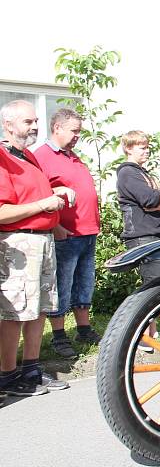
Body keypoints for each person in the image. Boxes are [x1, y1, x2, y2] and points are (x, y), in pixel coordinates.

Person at [0, 100, 71, 395]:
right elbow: (3, 211)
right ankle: (8, 376)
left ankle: (31, 369)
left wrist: (55, 195)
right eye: (28, 122)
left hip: (42, 241)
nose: (35, 127)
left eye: (35, 121)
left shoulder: (27, 155)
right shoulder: (3, 158)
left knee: (40, 309)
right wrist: (45, 204)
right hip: (18, 243)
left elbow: (32, 195)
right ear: (8, 125)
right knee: (15, 311)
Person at [34, 107, 103, 359]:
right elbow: (38, 195)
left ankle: (83, 329)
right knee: (62, 285)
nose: (77, 136)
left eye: (80, 132)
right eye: (74, 131)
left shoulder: (73, 156)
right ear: (57, 128)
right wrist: (55, 225)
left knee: (84, 282)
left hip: (86, 231)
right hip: (66, 233)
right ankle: (59, 335)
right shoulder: (41, 156)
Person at [116, 131, 160, 352]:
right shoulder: (127, 173)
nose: (146, 150)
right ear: (128, 148)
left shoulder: (147, 174)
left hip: (157, 235)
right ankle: (142, 336)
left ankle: (153, 331)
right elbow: (150, 199)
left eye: (147, 146)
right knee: (153, 286)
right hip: (142, 236)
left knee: (157, 285)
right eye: (141, 146)